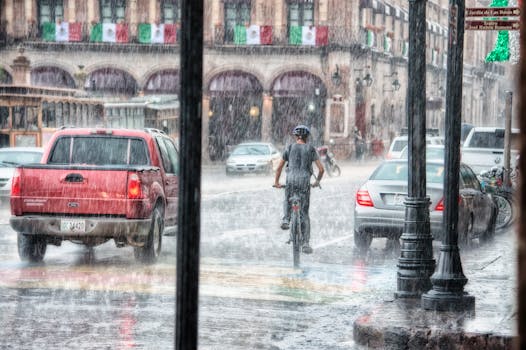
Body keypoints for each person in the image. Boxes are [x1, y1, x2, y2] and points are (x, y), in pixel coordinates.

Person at [273, 124, 324, 254]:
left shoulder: (289, 148)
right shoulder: (311, 149)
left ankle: (286, 219)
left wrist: (277, 182)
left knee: (287, 199)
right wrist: (317, 182)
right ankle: (306, 243)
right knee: (304, 214)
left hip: (290, 181)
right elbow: (321, 169)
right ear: (307, 137)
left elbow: (279, 168)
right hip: (304, 182)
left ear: (296, 136)